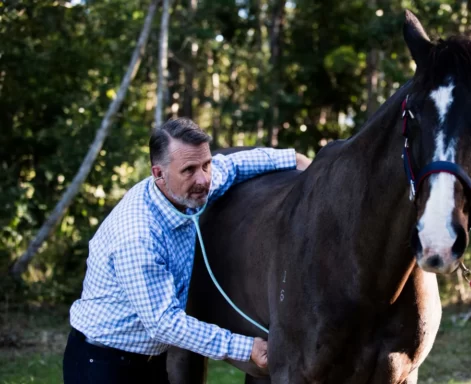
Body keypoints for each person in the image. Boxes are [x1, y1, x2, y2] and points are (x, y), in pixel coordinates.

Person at [63, 117, 312, 383]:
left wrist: (296, 160)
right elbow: (164, 323)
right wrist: (245, 347)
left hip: (150, 360)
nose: (203, 179)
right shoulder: (138, 235)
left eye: (206, 164)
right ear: (158, 174)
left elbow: (234, 165)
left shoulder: (190, 189)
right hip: (104, 364)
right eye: (190, 169)